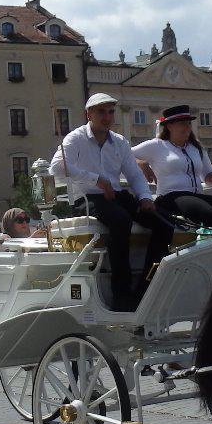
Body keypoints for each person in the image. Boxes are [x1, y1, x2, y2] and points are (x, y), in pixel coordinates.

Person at [52, 94, 173, 309]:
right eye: (101, 111)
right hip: (87, 198)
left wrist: (145, 198)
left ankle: (148, 285)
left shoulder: (119, 142)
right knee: (121, 220)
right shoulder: (75, 138)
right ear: (88, 114)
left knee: (163, 223)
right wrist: (96, 180)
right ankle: (121, 292)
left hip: (115, 196)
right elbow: (58, 167)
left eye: (110, 111)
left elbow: (134, 175)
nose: (107, 117)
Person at [131, 105, 212, 230]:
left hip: (196, 195)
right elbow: (124, 155)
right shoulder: (157, 145)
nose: (187, 127)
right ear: (169, 126)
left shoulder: (196, 147)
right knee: (208, 213)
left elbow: (207, 176)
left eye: (189, 124)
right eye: (182, 123)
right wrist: (140, 163)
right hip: (170, 197)